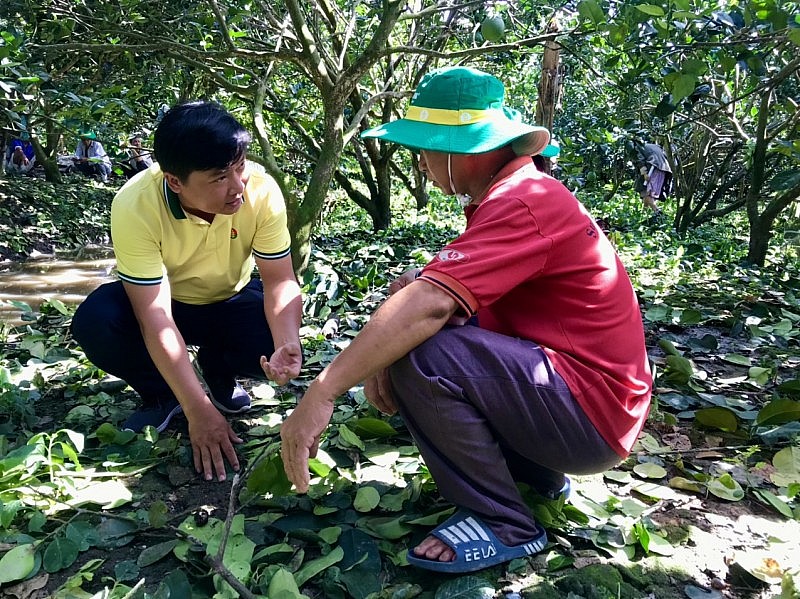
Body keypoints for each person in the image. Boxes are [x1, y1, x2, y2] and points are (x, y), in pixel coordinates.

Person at [277, 67, 652, 573]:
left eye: (426, 148)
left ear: (461, 149)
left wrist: (323, 391)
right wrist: (393, 340)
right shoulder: (511, 196)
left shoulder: (526, 201)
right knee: (413, 333)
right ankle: (531, 477)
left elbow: (430, 305)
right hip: (582, 401)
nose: (423, 162)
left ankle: (503, 522)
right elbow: (438, 297)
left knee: (425, 350)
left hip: (590, 415)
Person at [71, 102, 303, 482]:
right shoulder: (135, 205)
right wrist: (198, 412)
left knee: (268, 336)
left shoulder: (261, 191)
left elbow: (279, 279)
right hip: (168, 303)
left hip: (229, 298)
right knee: (97, 322)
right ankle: (163, 394)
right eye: (218, 178)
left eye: (239, 166)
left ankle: (218, 370)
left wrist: (286, 342)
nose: (237, 187)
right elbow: (155, 316)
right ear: (175, 181)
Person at [634, 139, 672, 217]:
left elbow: (639, 160)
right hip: (663, 169)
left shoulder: (636, 148)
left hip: (654, 168)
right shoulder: (652, 146)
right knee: (648, 193)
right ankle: (643, 214)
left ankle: (658, 212)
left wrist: (644, 173)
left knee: (647, 194)